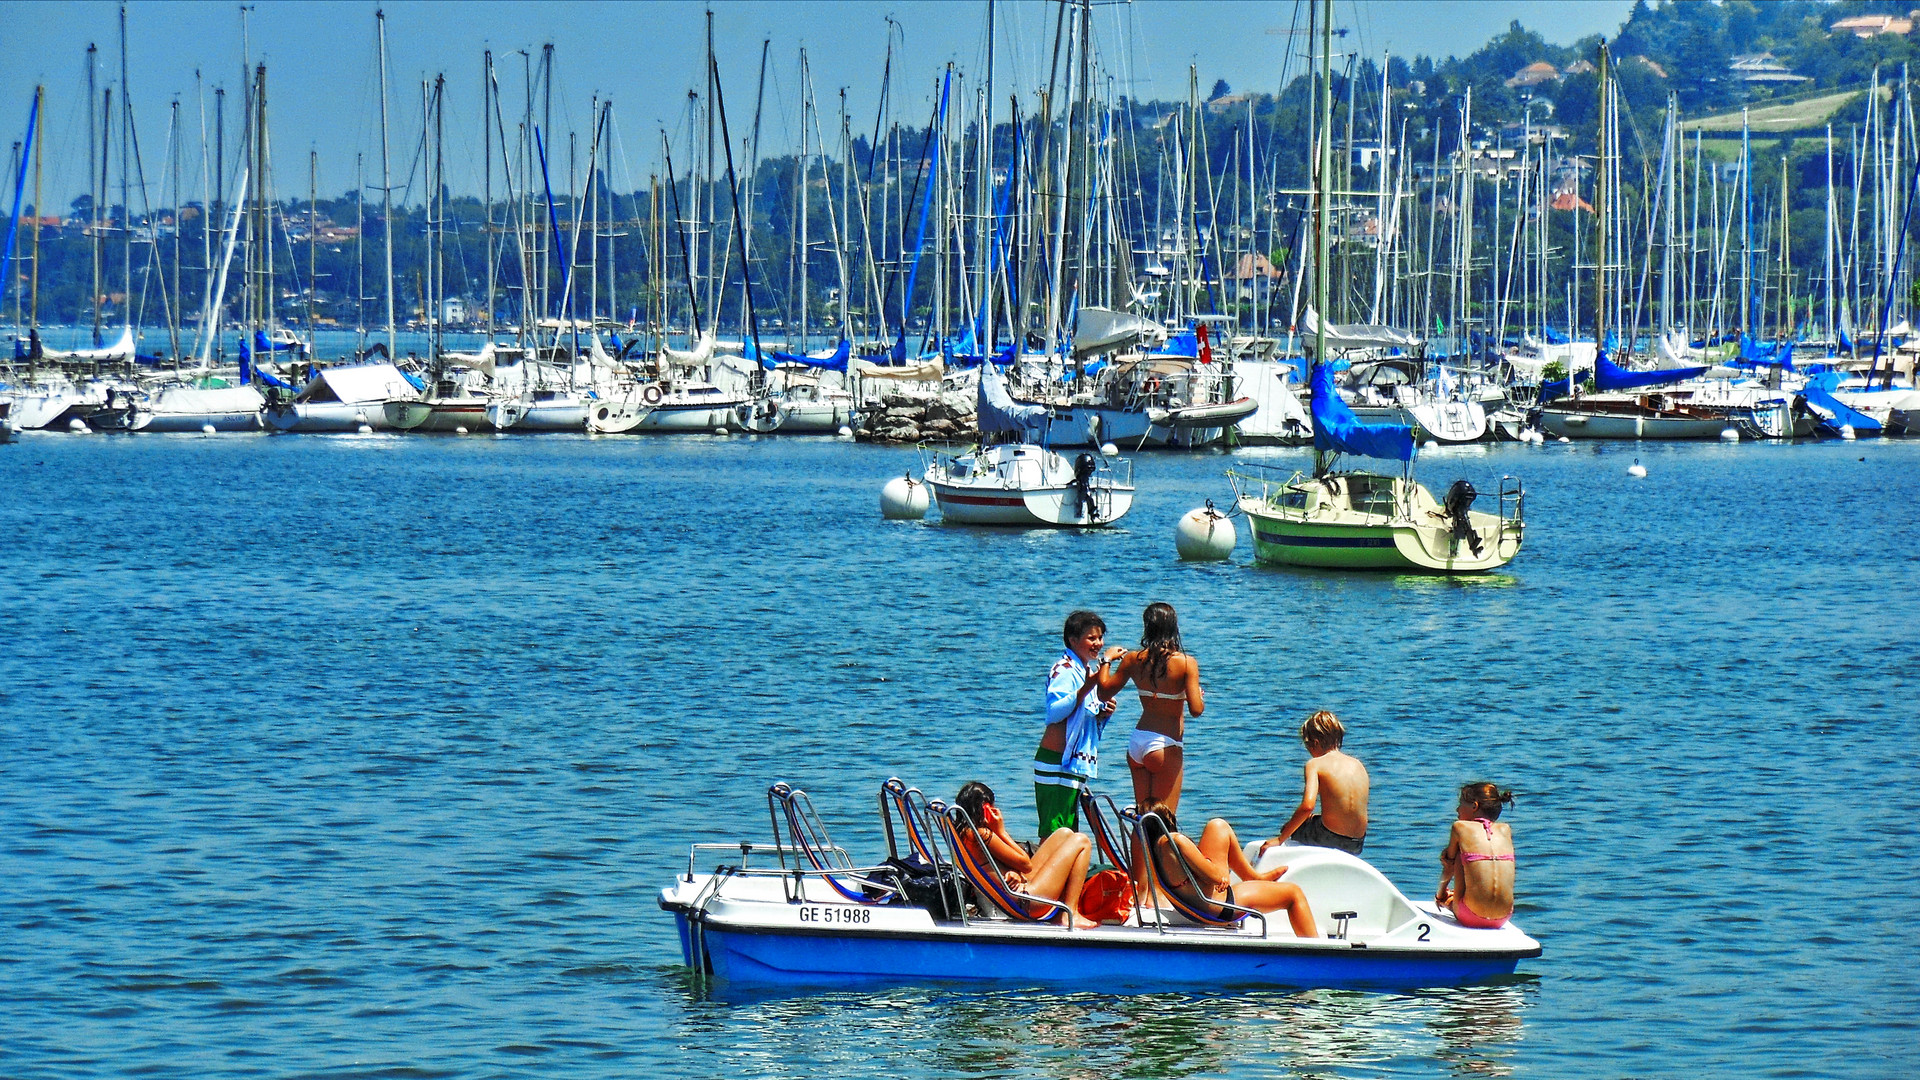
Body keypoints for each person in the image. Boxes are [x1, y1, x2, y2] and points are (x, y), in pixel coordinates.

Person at [1140, 799, 1317, 939]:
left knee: (1217, 826)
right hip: (1218, 905)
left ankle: (1253, 876)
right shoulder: (1176, 840)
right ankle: (1316, 953)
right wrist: (1213, 869)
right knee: (1293, 893)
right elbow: (1216, 877)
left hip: (1198, 899)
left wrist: (1207, 866)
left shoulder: (1153, 846)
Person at [956, 781, 1098, 929]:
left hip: (1015, 896)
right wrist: (1001, 831)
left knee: (1064, 833)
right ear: (985, 808)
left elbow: (1009, 865)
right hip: (1027, 901)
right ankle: (1071, 914)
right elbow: (1026, 864)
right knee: (1082, 841)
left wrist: (1014, 872)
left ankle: (1063, 912)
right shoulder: (980, 834)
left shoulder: (963, 835)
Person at [1033, 610, 1125, 836]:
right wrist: (1088, 686)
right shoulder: (1064, 669)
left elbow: (1083, 712)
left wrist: (1103, 713)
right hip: (1056, 762)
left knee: (1067, 832)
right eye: (1091, 638)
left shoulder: (1084, 669)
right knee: (1055, 833)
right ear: (1073, 640)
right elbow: (1054, 712)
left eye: (1100, 638)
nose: (1098, 643)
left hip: (1070, 763)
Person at [1112, 602, 1203, 816]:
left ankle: (1140, 850)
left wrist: (1106, 660)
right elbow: (1196, 710)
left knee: (1142, 817)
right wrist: (1197, 694)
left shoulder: (1133, 659)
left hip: (1138, 741)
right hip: (1165, 744)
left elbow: (1104, 691)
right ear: (1173, 627)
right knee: (1164, 820)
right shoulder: (1186, 663)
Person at [1261, 710, 1370, 856]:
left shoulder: (1315, 764)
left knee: (1295, 826)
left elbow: (1307, 806)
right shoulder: (1358, 765)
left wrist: (1281, 839)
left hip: (1331, 838)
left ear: (1315, 743)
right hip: (1357, 842)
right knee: (1312, 819)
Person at [1435, 782, 1517, 929]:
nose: (1457, 809)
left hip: (1470, 915)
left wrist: (1440, 896)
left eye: (1461, 804)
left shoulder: (1460, 827)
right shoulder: (1506, 830)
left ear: (1474, 806)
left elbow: (1449, 869)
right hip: (1503, 917)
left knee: (1459, 855)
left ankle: (1450, 901)